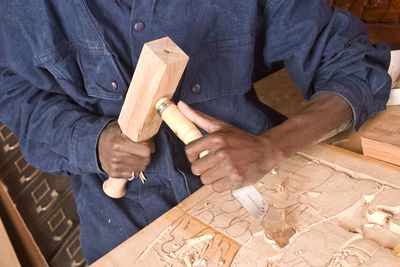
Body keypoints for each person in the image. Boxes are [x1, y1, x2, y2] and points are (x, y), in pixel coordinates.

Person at [0, 0, 391, 264]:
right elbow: (14, 92)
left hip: (263, 189)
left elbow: (353, 64)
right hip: (121, 221)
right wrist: (91, 141)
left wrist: (272, 146)